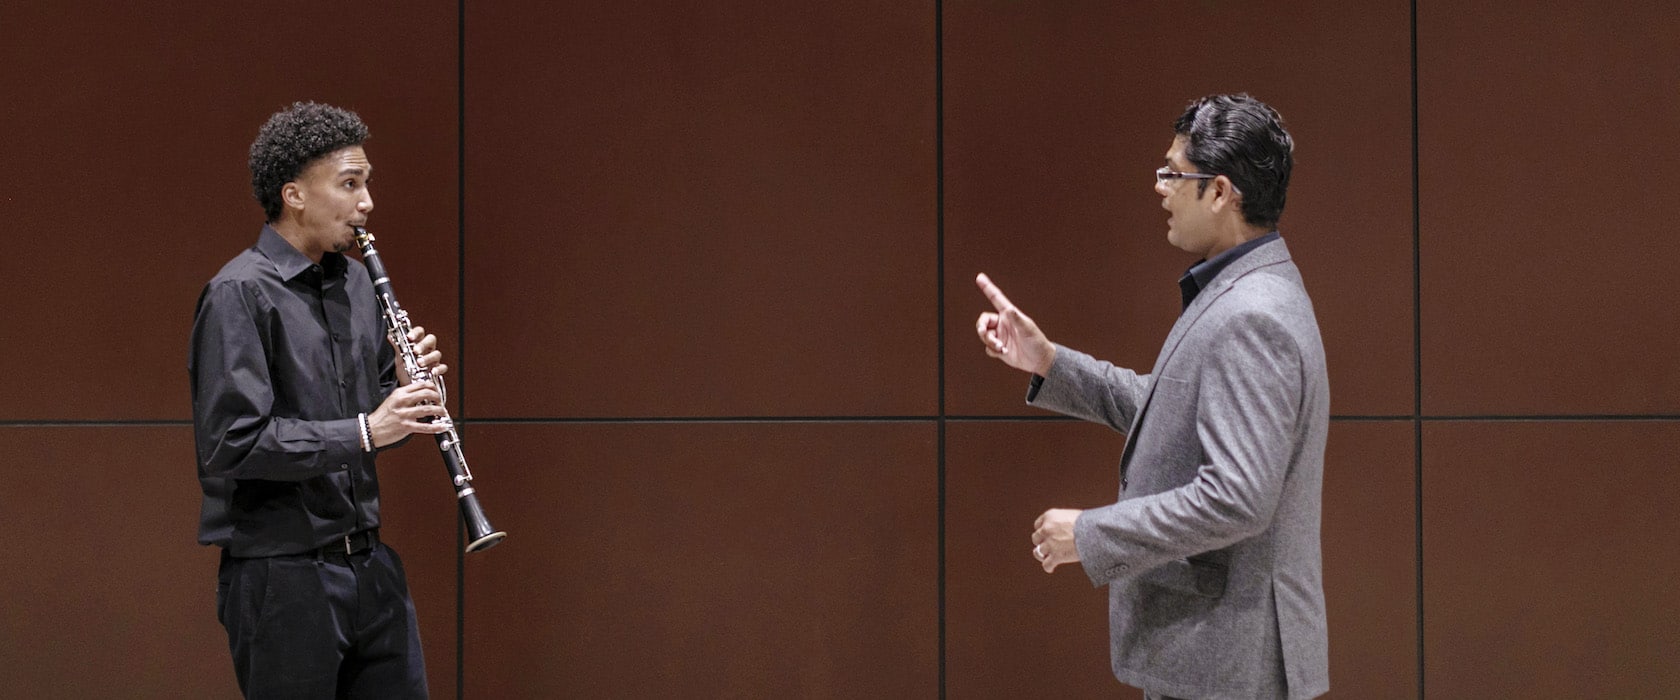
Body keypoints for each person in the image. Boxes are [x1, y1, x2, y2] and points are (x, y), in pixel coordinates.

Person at [974, 94, 1329, 699]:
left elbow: (1237, 498)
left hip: (1230, 667)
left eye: (1173, 173)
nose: (1160, 187)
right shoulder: (1245, 289)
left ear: (1220, 192)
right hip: (1219, 662)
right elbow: (1169, 410)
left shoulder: (1252, 315)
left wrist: (1091, 534)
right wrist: (1047, 361)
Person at [190, 101, 449, 699]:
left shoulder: (357, 282)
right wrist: (363, 432)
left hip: (371, 567)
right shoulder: (238, 294)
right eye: (350, 184)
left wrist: (413, 394)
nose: (367, 203)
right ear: (295, 195)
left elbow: (379, 404)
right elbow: (232, 443)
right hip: (283, 578)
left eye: (367, 184)